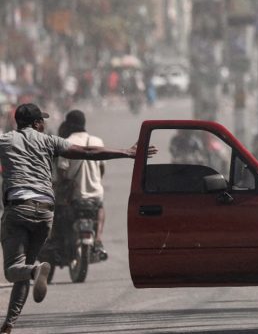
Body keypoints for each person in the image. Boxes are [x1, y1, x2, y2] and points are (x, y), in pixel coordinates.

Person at [0, 103, 156, 334]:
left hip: (18, 209)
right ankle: (8, 325)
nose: (44, 124)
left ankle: (35, 272)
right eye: (42, 121)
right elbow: (88, 152)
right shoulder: (49, 141)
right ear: (36, 123)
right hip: (44, 212)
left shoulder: (6, 140)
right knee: (25, 266)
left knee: (14, 269)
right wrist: (127, 152)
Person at [55, 110, 109, 258]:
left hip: (75, 195)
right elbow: (102, 169)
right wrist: (96, 181)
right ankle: (98, 239)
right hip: (95, 193)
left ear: (68, 124)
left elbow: (62, 171)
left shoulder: (66, 142)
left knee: (60, 215)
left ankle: (61, 243)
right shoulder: (97, 141)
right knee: (100, 208)